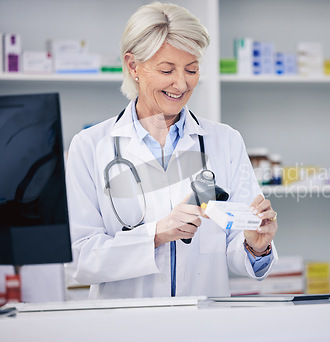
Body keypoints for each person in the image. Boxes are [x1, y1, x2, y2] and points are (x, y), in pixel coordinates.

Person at [65, 1, 278, 299]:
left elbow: (235, 243)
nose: (181, 84)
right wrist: (156, 234)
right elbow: (80, 258)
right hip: (127, 327)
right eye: (167, 70)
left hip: (202, 325)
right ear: (133, 66)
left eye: (191, 69)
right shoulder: (89, 147)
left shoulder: (224, 141)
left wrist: (256, 245)